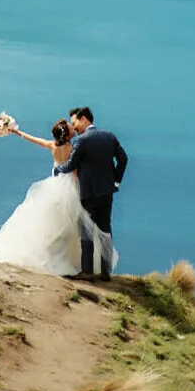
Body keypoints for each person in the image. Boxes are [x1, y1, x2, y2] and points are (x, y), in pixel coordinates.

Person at [0, 117, 116, 277]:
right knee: (72, 228)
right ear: (67, 136)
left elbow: (33, 139)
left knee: (53, 224)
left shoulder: (52, 145)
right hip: (71, 189)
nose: (72, 127)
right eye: (70, 127)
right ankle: (69, 262)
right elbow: (75, 172)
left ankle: (50, 255)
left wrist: (16, 131)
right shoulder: (72, 148)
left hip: (54, 186)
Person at [53, 106, 128, 280]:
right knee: (105, 229)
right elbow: (123, 159)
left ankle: (87, 271)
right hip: (107, 192)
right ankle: (105, 272)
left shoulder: (82, 140)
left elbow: (71, 165)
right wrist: (115, 181)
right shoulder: (109, 136)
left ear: (84, 119)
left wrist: (58, 170)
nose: (74, 127)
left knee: (86, 232)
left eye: (75, 122)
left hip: (88, 193)